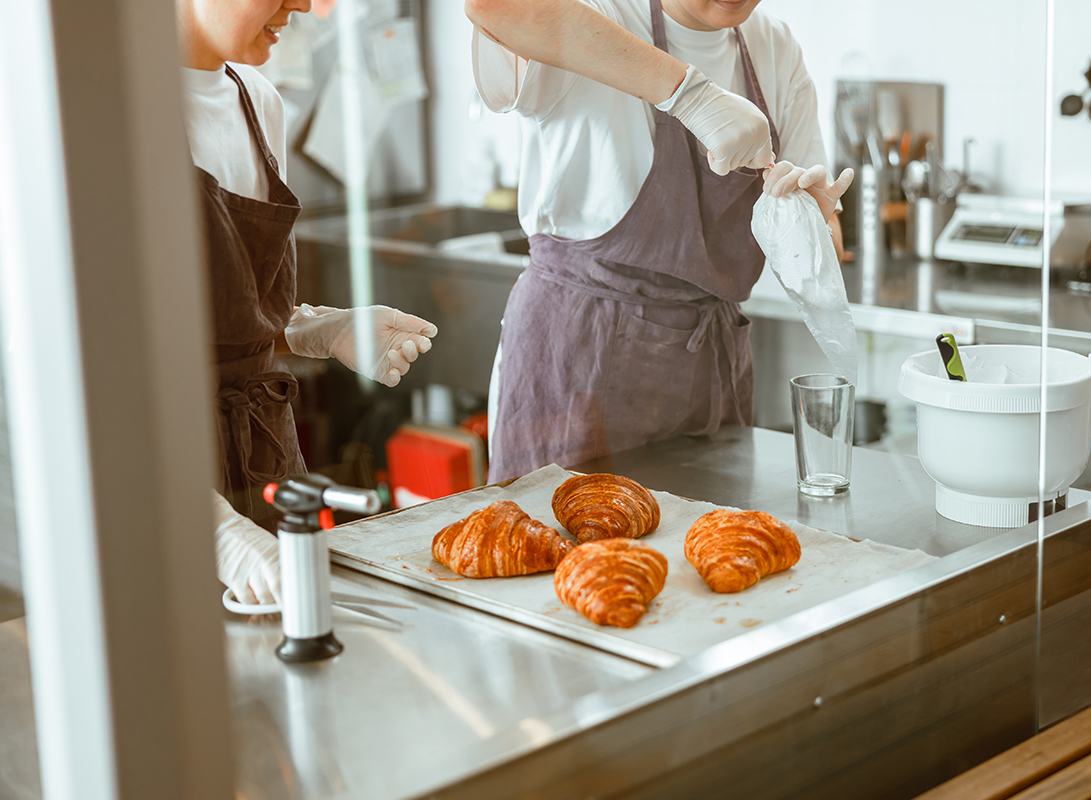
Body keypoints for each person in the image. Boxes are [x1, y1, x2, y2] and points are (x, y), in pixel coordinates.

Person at [465, 0, 853, 481]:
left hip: (711, 368)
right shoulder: (600, 10)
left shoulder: (773, 46)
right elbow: (492, 7)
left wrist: (807, 220)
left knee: (703, 550)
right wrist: (690, 94)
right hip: (578, 362)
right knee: (562, 546)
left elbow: (826, 251)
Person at [176, 0, 438, 605]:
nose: (309, 5)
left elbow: (233, 310)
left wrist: (313, 330)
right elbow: (90, 382)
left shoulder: (258, 101)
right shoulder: (104, 122)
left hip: (267, 462)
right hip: (155, 487)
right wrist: (221, 537)